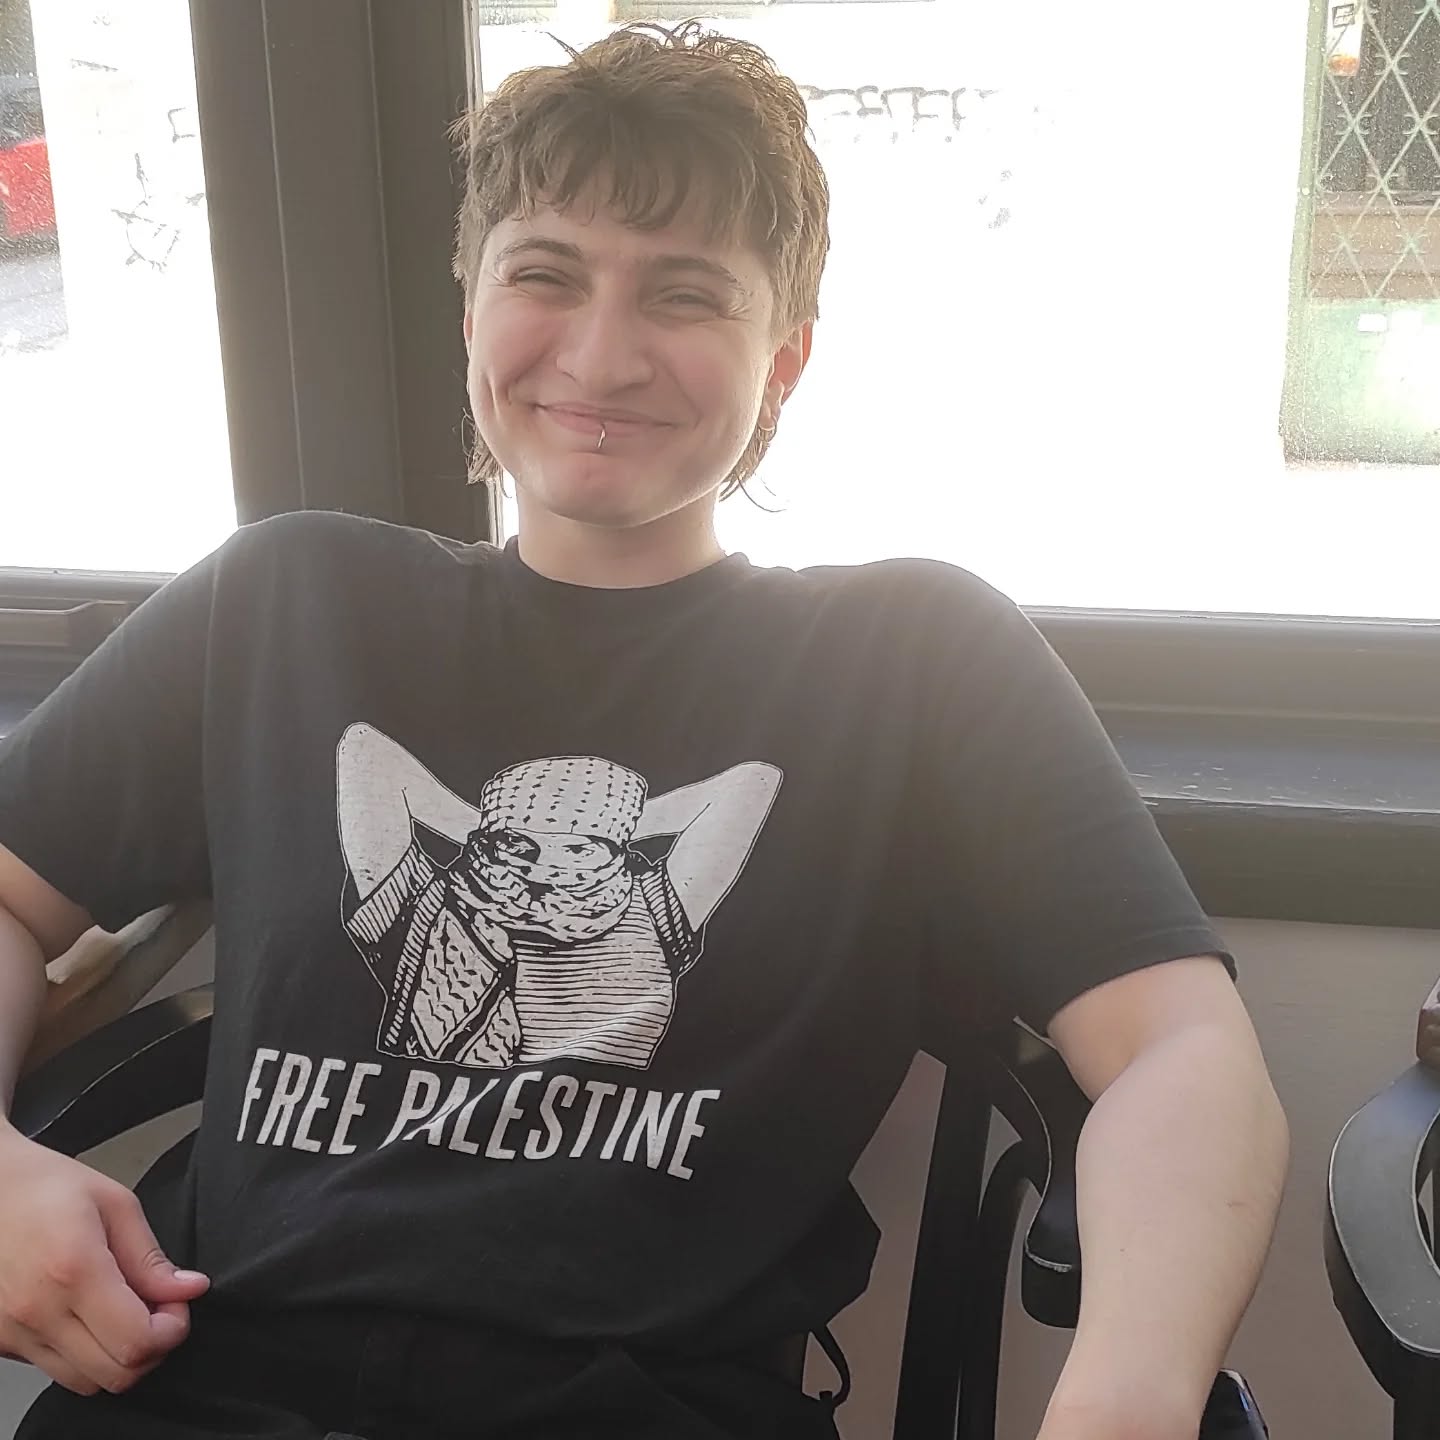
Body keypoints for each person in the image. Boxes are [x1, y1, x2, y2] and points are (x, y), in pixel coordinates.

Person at [0, 22, 1287, 1440]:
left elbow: (1182, 1048)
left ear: (784, 360)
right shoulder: (285, 600)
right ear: (471, 309)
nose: (602, 356)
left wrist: (1126, 1398)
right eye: (544, 275)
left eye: (685, 295)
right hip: (196, 1384)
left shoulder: (912, 658)